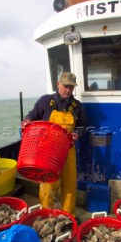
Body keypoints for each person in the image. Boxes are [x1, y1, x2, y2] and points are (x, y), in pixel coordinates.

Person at [21, 72, 88, 215]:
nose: (68, 90)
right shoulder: (45, 101)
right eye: (65, 86)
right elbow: (32, 116)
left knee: (69, 184)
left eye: (71, 87)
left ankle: (68, 215)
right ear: (58, 84)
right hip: (48, 151)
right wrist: (26, 120)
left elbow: (83, 126)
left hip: (68, 150)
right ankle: (46, 215)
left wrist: (78, 134)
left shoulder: (78, 106)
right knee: (48, 184)